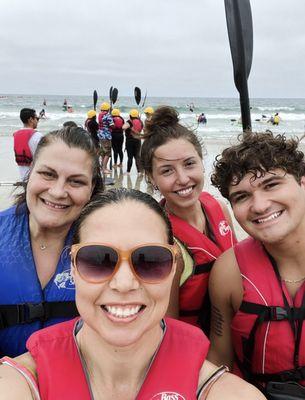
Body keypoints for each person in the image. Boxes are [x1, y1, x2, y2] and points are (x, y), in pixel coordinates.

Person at [0, 188, 265, 399]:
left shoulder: (225, 392)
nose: (124, 283)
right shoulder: (19, 383)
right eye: (98, 259)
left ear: (174, 266)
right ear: (72, 266)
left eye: (150, 260)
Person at [208, 132, 305, 398]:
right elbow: (219, 362)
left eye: (272, 184)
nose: (260, 206)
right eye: (241, 196)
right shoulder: (229, 271)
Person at [0, 126, 103, 357]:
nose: (57, 192)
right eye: (48, 174)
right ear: (29, 173)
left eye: (75, 182)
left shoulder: (107, 247)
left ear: (91, 188)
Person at [140, 106, 236, 334]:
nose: (182, 179)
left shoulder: (219, 208)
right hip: (199, 350)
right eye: (167, 171)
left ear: (202, 162)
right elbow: (168, 330)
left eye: (189, 164)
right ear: (151, 178)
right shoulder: (162, 242)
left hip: (238, 339)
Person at [13, 108, 43, 180]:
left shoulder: (15, 135)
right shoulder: (38, 136)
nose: (37, 121)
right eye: (37, 118)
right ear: (31, 119)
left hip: (23, 176)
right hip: (36, 176)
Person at [123, 109, 143, 175]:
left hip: (130, 141)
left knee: (130, 157)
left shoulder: (129, 122)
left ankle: (128, 171)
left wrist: (129, 127)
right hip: (138, 140)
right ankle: (139, 171)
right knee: (137, 156)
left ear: (130, 115)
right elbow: (141, 128)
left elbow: (123, 127)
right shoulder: (140, 122)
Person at [98, 102, 114, 174]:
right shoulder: (108, 116)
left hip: (100, 135)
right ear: (108, 109)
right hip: (106, 135)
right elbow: (112, 125)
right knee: (107, 153)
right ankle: (104, 169)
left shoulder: (99, 115)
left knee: (103, 152)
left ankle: (103, 167)